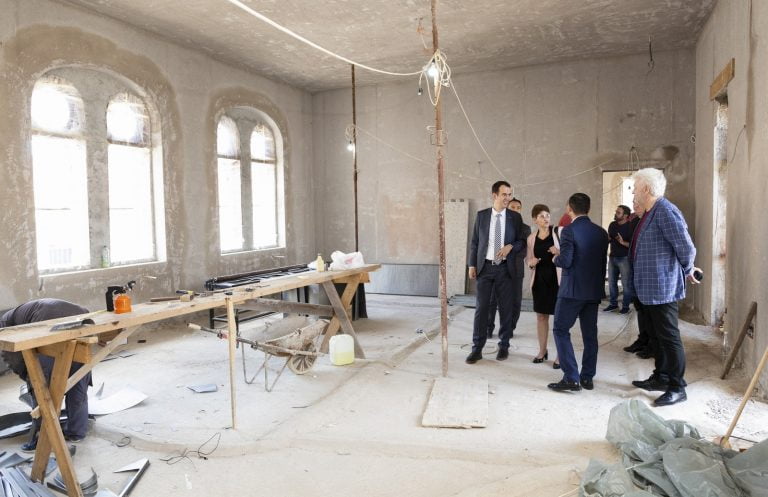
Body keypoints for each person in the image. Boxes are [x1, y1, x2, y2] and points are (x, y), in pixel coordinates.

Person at [628, 168, 701, 407]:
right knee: (657, 337)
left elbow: (686, 247)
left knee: (669, 338)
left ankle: (677, 387)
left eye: (635, 187)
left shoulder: (666, 211)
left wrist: (687, 269)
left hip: (662, 286)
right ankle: (661, 376)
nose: (633, 192)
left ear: (646, 188)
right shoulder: (651, 212)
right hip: (649, 287)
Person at [0, 299, 92, 451]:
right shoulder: (21, 313)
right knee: (77, 377)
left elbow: (14, 358)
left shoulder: (4, 325)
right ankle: (77, 432)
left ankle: (41, 439)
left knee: (40, 386)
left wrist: (29, 377)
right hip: (81, 317)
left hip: (46, 319)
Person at [546, 193, 608, 392]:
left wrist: (555, 258)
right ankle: (587, 378)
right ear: (588, 208)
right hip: (593, 290)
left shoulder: (569, 231)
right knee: (590, 335)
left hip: (572, 291)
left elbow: (566, 261)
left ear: (569, 208)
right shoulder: (601, 232)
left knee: (560, 330)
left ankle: (571, 377)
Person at [466, 181, 527, 363]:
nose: (508, 198)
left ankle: (504, 346)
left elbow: (522, 241)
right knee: (481, 309)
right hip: (485, 268)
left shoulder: (515, 218)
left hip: (505, 269)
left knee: (506, 310)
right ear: (494, 195)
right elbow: (475, 242)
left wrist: (510, 246)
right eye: (504, 194)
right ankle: (477, 348)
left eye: (509, 194)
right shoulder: (482, 216)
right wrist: (472, 265)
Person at [487, 197, 531, 338]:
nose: (516, 210)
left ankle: (509, 329)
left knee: (515, 302)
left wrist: (508, 252)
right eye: (513, 207)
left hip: (516, 270)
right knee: (491, 300)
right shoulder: (497, 224)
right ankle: (488, 328)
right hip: (495, 267)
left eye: (518, 208)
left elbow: (524, 250)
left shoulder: (525, 228)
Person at [526, 204, 561, 368]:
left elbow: (569, 254)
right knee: (541, 317)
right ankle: (542, 351)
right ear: (535, 220)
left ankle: (561, 355)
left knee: (560, 319)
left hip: (557, 281)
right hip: (540, 281)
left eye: (547, 215)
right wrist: (531, 263)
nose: (546, 218)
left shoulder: (558, 233)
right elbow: (528, 260)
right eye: (541, 216)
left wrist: (558, 252)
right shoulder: (531, 238)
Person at [604, 205, 635, 314]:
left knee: (626, 284)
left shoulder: (631, 227)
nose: (615, 214)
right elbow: (610, 238)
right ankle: (613, 304)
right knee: (612, 283)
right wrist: (606, 239)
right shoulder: (612, 225)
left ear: (625, 215)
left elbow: (633, 245)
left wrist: (622, 242)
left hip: (624, 258)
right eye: (616, 211)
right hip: (612, 257)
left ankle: (625, 306)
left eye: (618, 212)